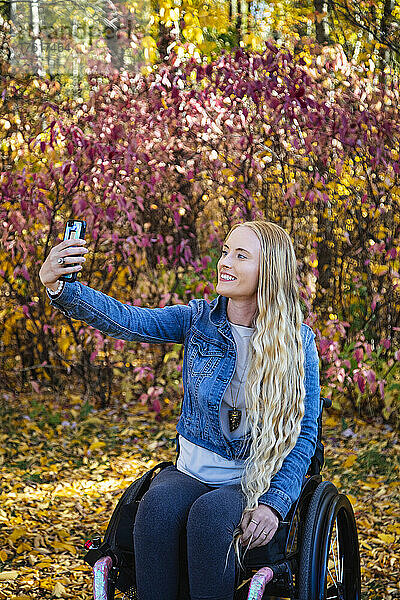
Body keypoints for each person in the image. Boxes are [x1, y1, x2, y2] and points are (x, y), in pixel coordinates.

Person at [39, 220, 320, 600]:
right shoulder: (197, 321)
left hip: (252, 479)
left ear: (269, 269)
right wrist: (60, 288)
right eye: (224, 251)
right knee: (154, 509)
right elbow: (129, 320)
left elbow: (304, 433)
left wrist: (274, 503)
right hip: (191, 469)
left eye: (240, 255)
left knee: (209, 518)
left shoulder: (297, 341)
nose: (225, 262)